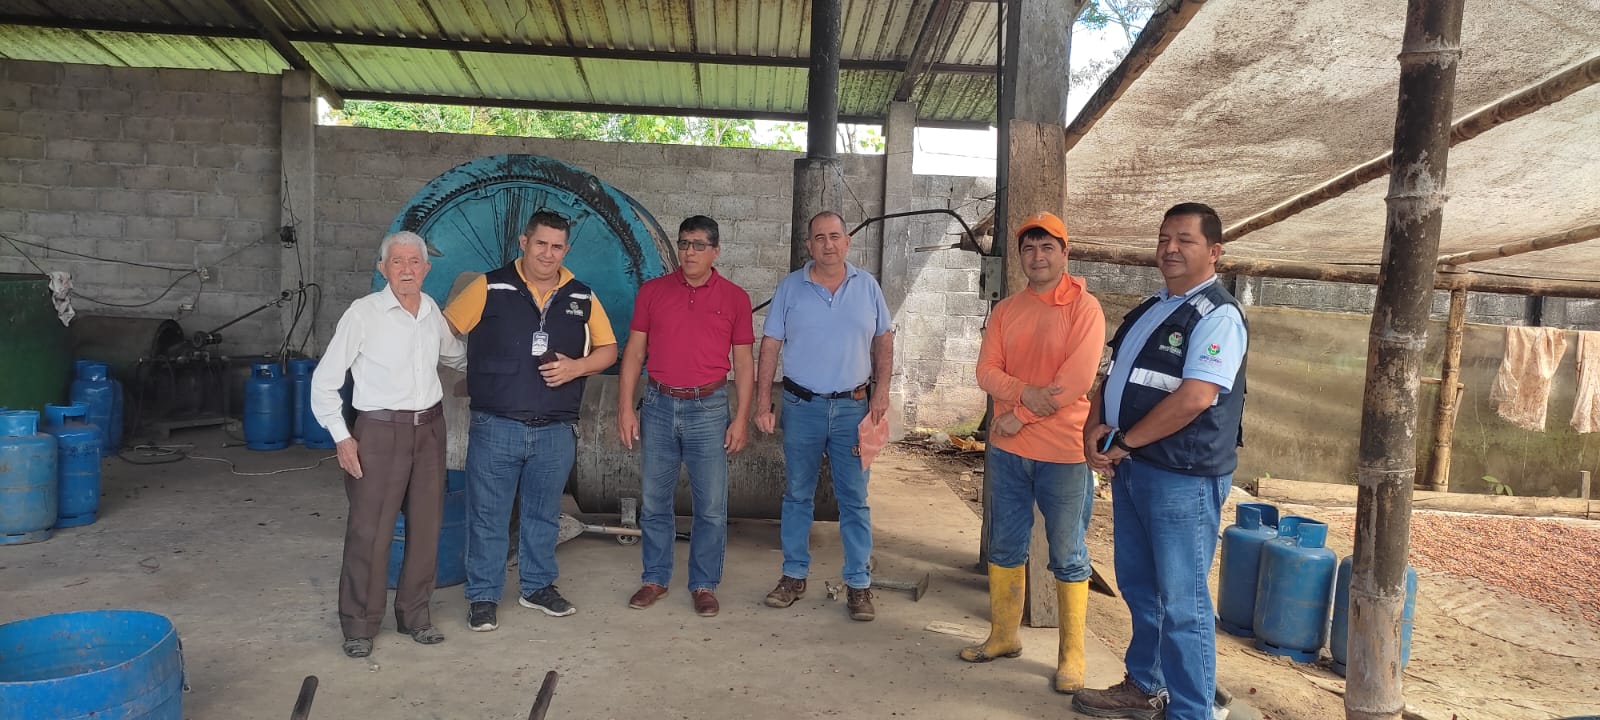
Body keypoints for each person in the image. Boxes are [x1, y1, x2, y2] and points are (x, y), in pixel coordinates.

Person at [1074, 203, 1248, 720]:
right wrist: (1092, 431)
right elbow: (1111, 378)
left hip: (1182, 478)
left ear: (1214, 251)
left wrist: (1125, 441)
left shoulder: (1218, 316)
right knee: (1140, 587)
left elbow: (1195, 397)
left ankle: (1191, 711)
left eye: (1185, 240)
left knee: (1183, 602)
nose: (1170, 248)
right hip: (1134, 469)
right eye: (1164, 238)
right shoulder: (1152, 307)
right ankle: (1145, 687)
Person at [443, 210, 619, 632]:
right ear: (524, 242)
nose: (548, 253)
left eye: (557, 246)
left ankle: (537, 587)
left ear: (566, 250)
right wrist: (471, 366)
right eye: (541, 243)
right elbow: (443, 330)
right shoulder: (488, 287)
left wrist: (577, 367)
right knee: (488, 515)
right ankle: (483, 596)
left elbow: (609, 349)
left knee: (543, 515)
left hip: (555, 430)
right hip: (496, 424)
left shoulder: (581, 296)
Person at [962, 212, 1105, 694]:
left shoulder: (1085, 309)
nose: (1037, 257)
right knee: (1005, 544)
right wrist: (1025, 394)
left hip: (1063, 452)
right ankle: (1004, 635)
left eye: (1047, 247)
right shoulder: (1007, 310)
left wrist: (1018, 414)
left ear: (1065, 253)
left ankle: (1072, 656)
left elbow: (1074, 383)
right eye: (1029, 248)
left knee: (1067, 553)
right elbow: (986, 371)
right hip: (1008, 452)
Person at [311, 231, 466, 659]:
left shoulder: (431, 311)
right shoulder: (363, 314)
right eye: (397, 261)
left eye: (414, 261)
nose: (406, 269)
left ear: (426, 268)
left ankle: (415, 615)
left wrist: (499, 364)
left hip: (429, 429)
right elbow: (324, 382)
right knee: (370, 531)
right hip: (379, 432)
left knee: (427, 527)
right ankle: (359, 624)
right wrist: (342, 436)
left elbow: (455, 356)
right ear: (383, 268)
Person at [754, 211, 893, 622]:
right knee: (798, 494)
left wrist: (882, 390)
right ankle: (793, 575)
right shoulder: (790, 288)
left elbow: (884, 340)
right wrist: (763, 402)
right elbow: (770, 345)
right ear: (809, 245)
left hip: (853, 408)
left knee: (854, 499)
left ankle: (858, 583)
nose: (828, 244)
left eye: (835, 236)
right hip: (802, 408)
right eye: (819, 238)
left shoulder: (867, 287)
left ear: (847, 242)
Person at [616, 215, 754, 618]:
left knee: (710, 506)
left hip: (709, 409)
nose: (689, 253)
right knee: (655, 501)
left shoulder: (735, 298)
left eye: (698, 245)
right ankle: (655, 578)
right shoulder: (653, 292)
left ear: (716, 251)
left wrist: (741, 417)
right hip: (658, 405)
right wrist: (625, 407)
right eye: (684, 244)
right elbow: (634, 353)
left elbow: (744, 363)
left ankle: (704, 584)